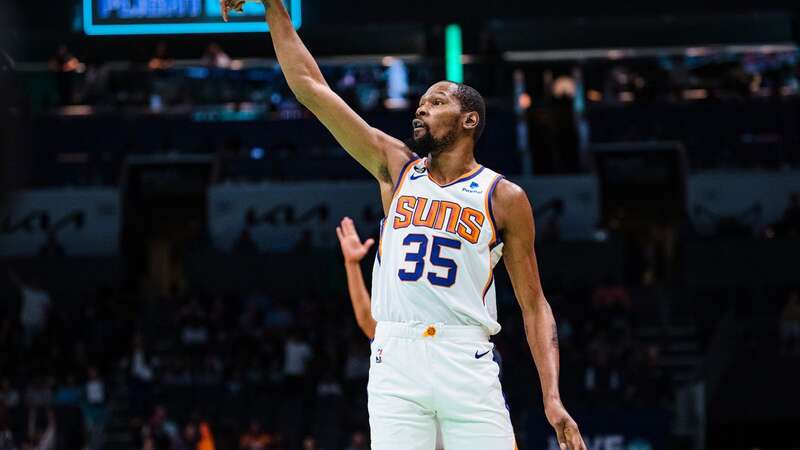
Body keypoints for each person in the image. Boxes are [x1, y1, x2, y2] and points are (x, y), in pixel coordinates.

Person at [222, 2, 585, 449]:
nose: (421, 109)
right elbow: (310, 87)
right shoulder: (396, 166)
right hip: (396, 355)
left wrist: (552, 398)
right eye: (419, 103)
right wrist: (274, 5)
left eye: (435, 102)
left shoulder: (503, 197)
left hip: (464, 356)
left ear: (469, 119)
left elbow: (535, 306)